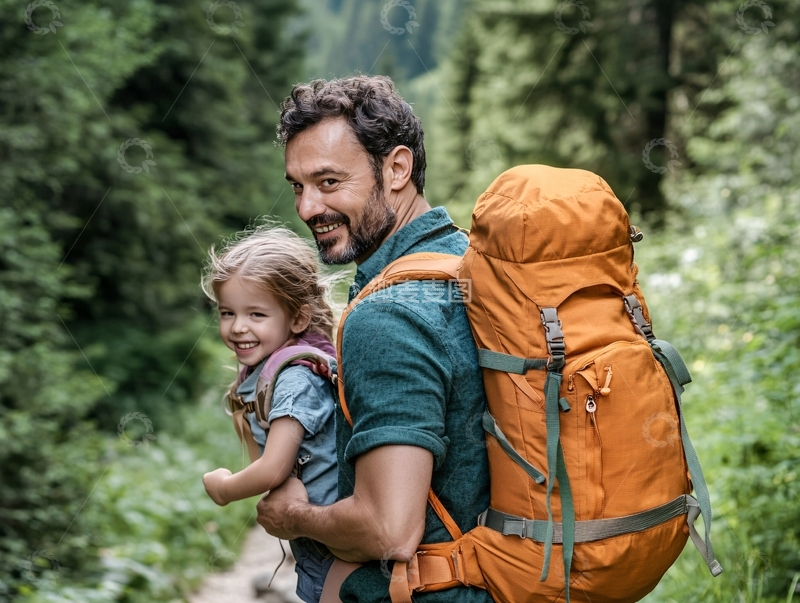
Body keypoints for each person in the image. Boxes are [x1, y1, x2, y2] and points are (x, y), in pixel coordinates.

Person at [256, 76, 495, 602]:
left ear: (397, 168)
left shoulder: (387, 316)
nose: (307, 208)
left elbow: (388, 529)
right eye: (298, 186)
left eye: (328, 182)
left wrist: (291, 516)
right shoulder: (466, 263)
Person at [200, 225, 347, 603]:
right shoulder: (262, 374)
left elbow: (272, 469)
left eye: (257, 314)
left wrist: (223, 489)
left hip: (336, 547)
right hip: (316, 542)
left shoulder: (296, 378)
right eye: (227, 312)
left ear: (297, 319)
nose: (238, 327)